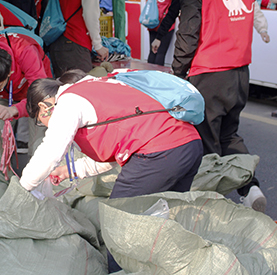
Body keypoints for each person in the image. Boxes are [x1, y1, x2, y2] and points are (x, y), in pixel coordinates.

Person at [20, 71, 203, 273]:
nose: (44, 125)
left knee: (117, 225)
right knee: (165, 221)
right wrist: (69, 171)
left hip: (159, 153)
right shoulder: (97, 87)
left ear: (43, 107)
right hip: (189, 145)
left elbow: (51, 150)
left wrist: (22, 188)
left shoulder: (68, 102)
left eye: (40, 121)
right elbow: (114, 154)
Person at [173, 0, 266, 212]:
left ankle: (214, 209)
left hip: (208, 74)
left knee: (207, 142)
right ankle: (250, 189)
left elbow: (187, 35)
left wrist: (177, 73)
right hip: (240, 74)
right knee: (230, 135)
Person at [145, 0, 179, 65]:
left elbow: (147, 0)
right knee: (161, 53)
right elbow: (174, 6)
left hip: (152, 21)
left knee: (152, 51)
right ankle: (158, 74)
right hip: (165, 23)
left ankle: (148, 73)